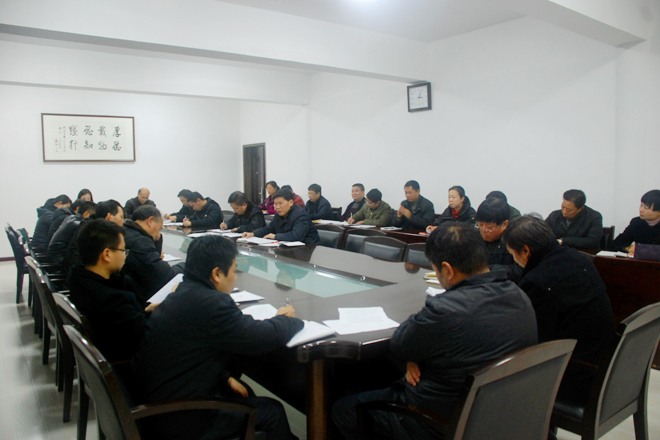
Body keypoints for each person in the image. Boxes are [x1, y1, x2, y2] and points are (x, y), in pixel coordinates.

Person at [332, 223, 537, 440]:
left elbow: (399, 344)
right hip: (499, 416)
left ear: (447, 270)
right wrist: (415, 355)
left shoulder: (446, 309)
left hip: (438, 423)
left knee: (343, 410)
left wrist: (414, 355)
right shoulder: (519, 296)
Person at [133, 235, 303, 440]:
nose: (235, 277)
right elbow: (259, 338)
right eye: (234, 270)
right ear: (217, 274)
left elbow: (183, 354)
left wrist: (223, 377)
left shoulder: (180, 293)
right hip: (180, 419)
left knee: (244, 391)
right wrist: (287, 319)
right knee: (273, 412)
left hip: (156, 404)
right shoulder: (212, 304)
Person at [502, 215, 615, 401]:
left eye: (513, 255)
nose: (515, 261)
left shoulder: (539, 282)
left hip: (575, 374)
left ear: (526, 251)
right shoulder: (579, 258)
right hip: (604, 364)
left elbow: (532, 339)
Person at [67, 219, 148, 362]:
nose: (125, 255)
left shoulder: (79, 279)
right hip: (129, 363)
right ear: (107, 254)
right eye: (123, 250)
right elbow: (145, 334)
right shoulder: (111, 301)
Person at [123, 205, 183, 306]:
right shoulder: (140, 242)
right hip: (139, 301)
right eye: (159, 229)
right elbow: (166, 275)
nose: (158, 234)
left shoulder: (126, 231)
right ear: (150, 221)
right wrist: (184, 265)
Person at [64, 200, 125, 273]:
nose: (123, 221)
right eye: (121, 217)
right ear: (109, 216)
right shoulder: (94, 234)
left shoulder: (89, 226)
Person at [244, 188, 320, 244]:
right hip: (289, 248)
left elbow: (296, 236)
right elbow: (269, 228)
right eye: (275, 204)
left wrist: (275, 236)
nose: (277, 207)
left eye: (280, 203)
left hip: (308, 248)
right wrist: (253, 233)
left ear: (291, 202)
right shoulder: (279, 214)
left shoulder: (301, 215)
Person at [475, 197, 522, 282]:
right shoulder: (475, 237)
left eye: (489, 227)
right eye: (480, 225)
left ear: (504, 224)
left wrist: (489, 270)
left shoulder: (515, 241)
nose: (483, 230)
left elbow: (520, 271)